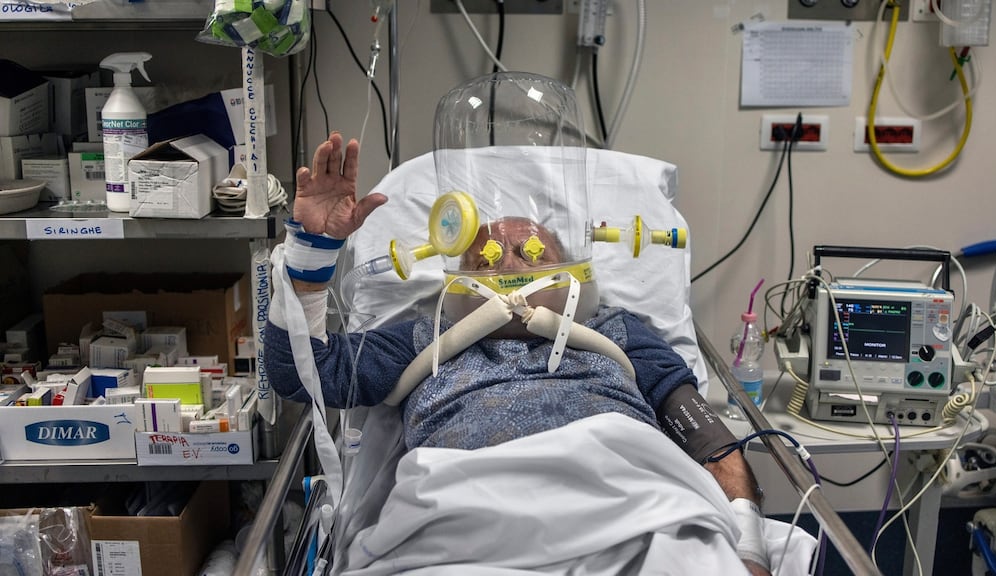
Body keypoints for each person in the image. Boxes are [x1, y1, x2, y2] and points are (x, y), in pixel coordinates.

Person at [267, 132, 774, 575]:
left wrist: (748, 544)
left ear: (573, 271)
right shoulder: (425, 338)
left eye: (535, 254)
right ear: (460, 280)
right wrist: (313, 248)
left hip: (630, 503)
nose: (510, 263)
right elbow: (306, 373)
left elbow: (707, 437)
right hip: (457, 523)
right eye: (485, 256)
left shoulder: (618, 332)